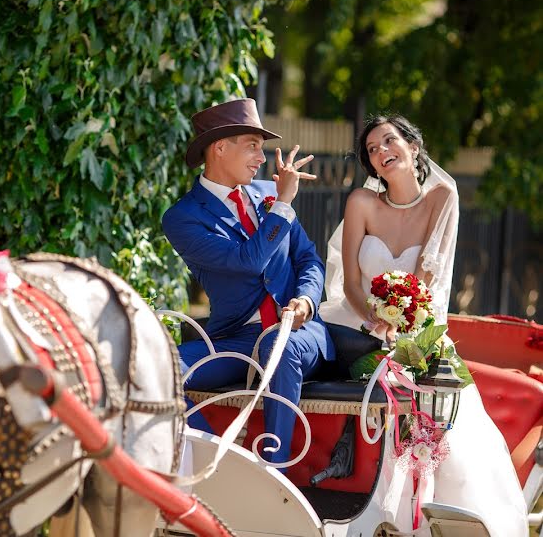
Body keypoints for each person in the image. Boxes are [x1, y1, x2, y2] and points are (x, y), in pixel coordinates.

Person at [320, 114, 526, 536]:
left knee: (439, 397)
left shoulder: (442, 196)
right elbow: (350, 285)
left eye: (389, 141)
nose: (381, 152)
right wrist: (374, 320)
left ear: (413, 146)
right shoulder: (361, 202)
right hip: (360, 324)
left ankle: (429, 516)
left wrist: (404, 327)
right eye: (372, 150)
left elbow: (429, 279)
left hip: (419, 326)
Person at [162, 98, 334, 465]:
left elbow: (308, 260)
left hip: (298, 335)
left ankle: (276, 471)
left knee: (278, 346)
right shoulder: (182, 218)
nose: (262, 157)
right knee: (160, 367)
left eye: (262, 147)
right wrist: (284, 203)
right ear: (220, 148)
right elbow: (247, 261)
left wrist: (306, 300)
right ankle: (215, 454)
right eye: (252, 145)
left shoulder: (268, 195)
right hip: (236, 339)